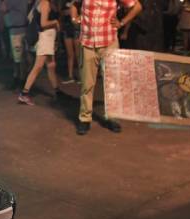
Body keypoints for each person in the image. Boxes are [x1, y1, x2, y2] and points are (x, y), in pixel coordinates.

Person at [76, 0, 142, 135]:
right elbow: (73, 4)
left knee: (112, 83)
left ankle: (112, 117)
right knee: (87, 84)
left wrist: (122, 23)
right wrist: (74, 18)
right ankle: (85, 118)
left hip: (109, 42)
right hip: (88, 42)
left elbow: (137, 6)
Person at [17, 0, 61, 105]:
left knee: (51, 65)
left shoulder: (47, 3)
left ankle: (57, 91)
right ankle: (24, 93)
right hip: (45, 38)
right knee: (38, 66)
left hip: (49, 38)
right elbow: (43, 23)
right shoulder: (44, 3)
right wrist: (55, 22)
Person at [1, 0, 31, 89]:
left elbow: (2, 8)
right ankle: (22, 78)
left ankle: (19, 79)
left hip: (16, 31)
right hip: (23, 29)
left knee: (18, 58)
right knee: (22, 57)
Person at [60, 0, 81, 83]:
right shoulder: (65, 2)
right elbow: (62, 13)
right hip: (67, 28)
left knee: (78, 54)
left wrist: (71, 12)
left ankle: (80, 76)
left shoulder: (79, 2)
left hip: (76, 29)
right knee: (70, 54)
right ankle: (70, 76)